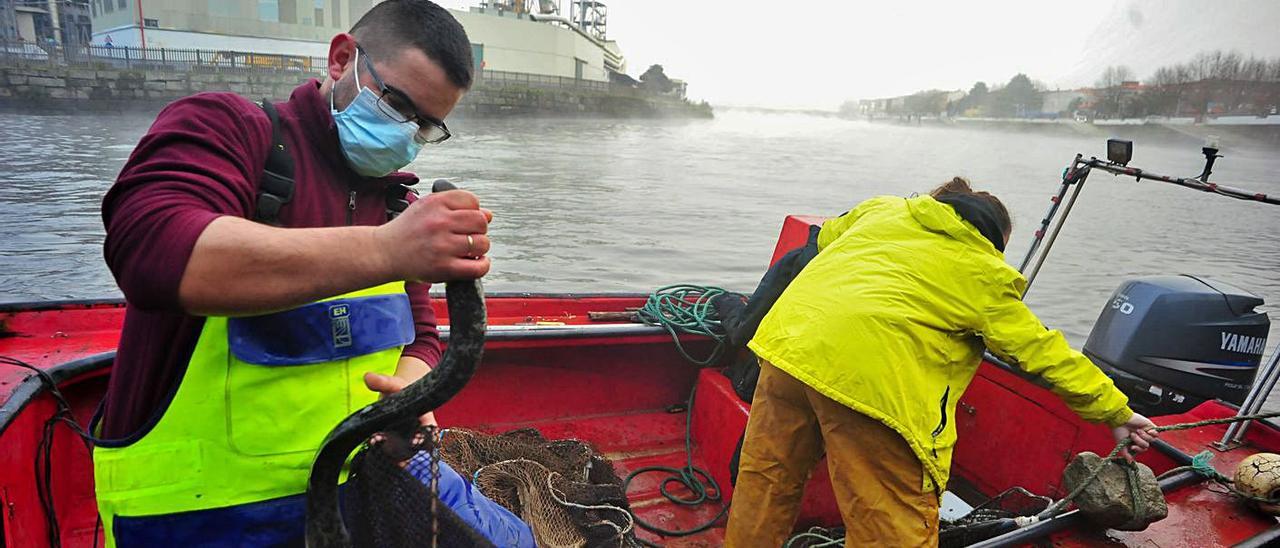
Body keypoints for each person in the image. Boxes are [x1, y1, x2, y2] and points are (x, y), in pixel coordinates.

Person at [93, 1, 533, 545]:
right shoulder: (229, 131)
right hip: (198, 514)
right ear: (341, 58)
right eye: (397, 105)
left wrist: (407, 395)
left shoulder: (398, 204)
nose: (408, 133)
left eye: (426, 125)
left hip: (356, 480)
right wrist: (386, 250)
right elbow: (152, 251)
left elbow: (421, 339)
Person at [724, 178, 1160, 546]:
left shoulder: (883, 210)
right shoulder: (981, 269)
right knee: (890, 525)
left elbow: (825, 238)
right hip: (870, 386)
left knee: (766, 482)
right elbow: (1043, 352)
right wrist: (1116, 412)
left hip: (786, 351)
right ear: (994, 238)